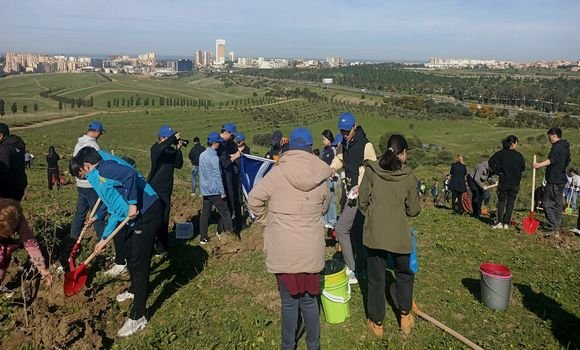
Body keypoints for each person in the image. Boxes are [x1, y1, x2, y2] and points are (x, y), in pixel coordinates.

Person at [249, 127, 332, 350]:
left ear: (290, 147)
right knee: (309, 301)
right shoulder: (319, 177)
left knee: (288, 303)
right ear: (308, 148)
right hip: (310, 250)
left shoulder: (276, 173)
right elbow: (325, 206)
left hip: (283, 249)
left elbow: (254, 199)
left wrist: (267, 221)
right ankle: (313, 346)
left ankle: (288, 346)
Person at [69, 147, 163, 337]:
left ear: (86, 166)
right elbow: (112, 204)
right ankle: (135, 288)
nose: (84, 178)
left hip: (149, 211)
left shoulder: (105, 170)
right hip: (136, 214)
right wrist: (103, 234)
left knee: (139, 261)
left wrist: (133, 203)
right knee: (129, 252)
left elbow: (129, 175)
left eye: (82, 173)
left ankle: (138, 317)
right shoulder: (99, 174)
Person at [359, 134, 421, 336]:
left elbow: (362, 202)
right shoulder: (408, 176)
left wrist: (371, 215)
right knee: (404, 274)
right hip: (399, 235)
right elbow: (413, 210)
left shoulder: (371, 171)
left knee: (376, 279)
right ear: (403, 154)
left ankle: (377, 323)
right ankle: (404, 317)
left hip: (375, 234)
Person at [330, 112, 377, 284]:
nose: (344, 134)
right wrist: (332, 168)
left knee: (342, 228)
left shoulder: (366, 146)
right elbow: (339, 159)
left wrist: (361, 186)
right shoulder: (344, 143)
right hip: (350, 192)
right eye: (341, 131)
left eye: (347, 131)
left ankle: (352, 268)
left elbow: (374, 170)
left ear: (354, 127)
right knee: (357, 232)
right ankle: (361, 268)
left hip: (361, 195)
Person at [0, 198, 52, 296]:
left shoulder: (18, 218)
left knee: (2, 264)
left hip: (4, 244)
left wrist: (42, 268)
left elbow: (31, 245)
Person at [147, 125, 184, 254]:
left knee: (164, 218)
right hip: (154, 188)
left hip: (166, 189)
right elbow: (161, 148)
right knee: (153, 218)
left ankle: (162, 246)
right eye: (169, 137)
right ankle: (149, 244)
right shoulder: (156, 148)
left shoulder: (170, 151)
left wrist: (178, 149)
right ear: (162, 138)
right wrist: (173, 138)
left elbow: (178, 165)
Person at [71, 121, 105, 241]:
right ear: (96, 131)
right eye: (100, 133)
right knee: (96, 211)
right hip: (91, 184)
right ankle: (101, 236)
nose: (100, 135)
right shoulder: (93, 146)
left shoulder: (78, 144)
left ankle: (74, 235)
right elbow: (97, 165)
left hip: (80, 183)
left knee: (81, 211)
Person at [533, 128, 571, 234]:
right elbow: (567, 161)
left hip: (554, 179)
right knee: (558, 203)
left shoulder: (557, 147)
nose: (549, 138)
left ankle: (554, 226)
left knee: (546, 203)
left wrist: (538, 165)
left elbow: (552, 160)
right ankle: (557, 225)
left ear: (554, 135)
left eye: (549, 136)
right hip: (562, 178)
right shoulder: (566, 147)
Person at [198, 132, 234, 245]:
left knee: (205, 214)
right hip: (215, 190)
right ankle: (229, 235)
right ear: (214, 143)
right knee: (225, 213)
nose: (219, 144)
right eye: (218, 142)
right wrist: (222, 192)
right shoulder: (214, 158)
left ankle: (203, 237)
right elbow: (218, 176)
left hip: (205, 190)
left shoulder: (202, 155)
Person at [489, 135, 526, 229]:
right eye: (516, 143)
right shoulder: (519, 156)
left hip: (504, 181)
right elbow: (523, 168)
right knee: (511, 203)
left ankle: (499, 222)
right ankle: (506, 223)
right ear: (513, 144)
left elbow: (491, 162)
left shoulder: (501, 154)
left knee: (501, 201)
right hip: (515, 183)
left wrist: (498, 171)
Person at [219, 123, 242, 233]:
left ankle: (224, 229)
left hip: (226, 177)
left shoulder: (225, 144)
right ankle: (224, 230)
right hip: (223, 178)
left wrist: (231, 156)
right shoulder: (221, 144)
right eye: (232, 136)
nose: (232, 139)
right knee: (227, 205)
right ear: (226, 133)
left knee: (228, 204)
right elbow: (224, 163)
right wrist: (235, 157)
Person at [0, 123, 28, 201]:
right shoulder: (16, 144)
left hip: (6, 190)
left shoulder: (4, 150)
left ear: (0, 135)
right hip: (19, 185)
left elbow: (2, 172)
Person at [321, 129, 337, 230]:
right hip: (324, 177)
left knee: (330, 200)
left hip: (331, 178)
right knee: (325, 199)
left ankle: (332, 220)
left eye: (324, 139)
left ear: (329, 139)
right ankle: (325, 220)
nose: (323, 141)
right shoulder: (325, 150)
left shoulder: (332, 150)